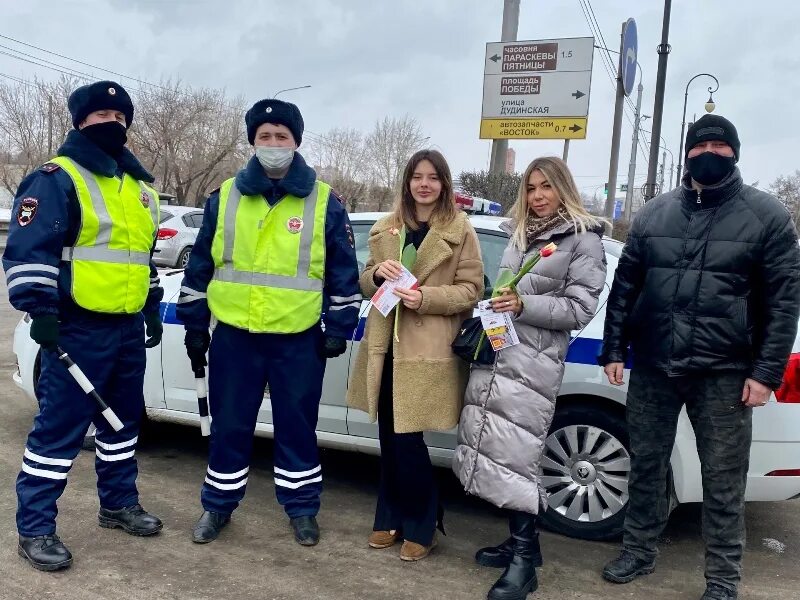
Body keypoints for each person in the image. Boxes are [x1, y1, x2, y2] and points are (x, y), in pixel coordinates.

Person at [598, 114, 800, 600]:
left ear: (734, 152)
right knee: (646, 465)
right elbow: (625, 288)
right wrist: (612, 348)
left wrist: (766, 372)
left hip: (725, 373)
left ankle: (723, 579)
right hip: (654, 366)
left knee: (723, 481)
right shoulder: (653, 214)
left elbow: (784, 302)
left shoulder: (767, 216)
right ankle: (638, 551)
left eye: (719, 145)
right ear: (688, 152)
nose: (709, 153)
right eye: (700, 145)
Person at [177, 98, 360, 547]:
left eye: (281, 137)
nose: (273, 144)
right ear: (252, 142)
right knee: (229, 425)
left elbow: (342, 270)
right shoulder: (225, 196)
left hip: (297, 339)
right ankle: (217, 507)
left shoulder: (324, 200)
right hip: (235, 336)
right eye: (264, 137)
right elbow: (200, 265)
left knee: (297, 427)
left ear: (296, 142)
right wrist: (195, 323)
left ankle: (301, 510)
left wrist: (338, 326)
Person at [3, 80, 165, 571]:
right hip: (76, 327)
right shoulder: (56, 177)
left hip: (124, 329)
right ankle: (35, 529)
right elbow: (30, 253)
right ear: (80, 123)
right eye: (100, 119)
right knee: (59, 432)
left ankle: (117, 505)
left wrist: (152, 304)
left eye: (119, 120)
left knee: (121, 425)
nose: (111, 126)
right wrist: (41, 312)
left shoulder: (139, 188)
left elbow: (141, 257)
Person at [453, 156, 606, 600]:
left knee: (519, 453)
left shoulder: (582, 239)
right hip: (502, 353)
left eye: (546, 187)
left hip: (535, 362)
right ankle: (524, 545)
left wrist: (523, 306)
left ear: (563, 189)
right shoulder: (523, 234)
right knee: (499, 448)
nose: (537, 196)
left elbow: (579, 309)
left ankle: (525, 563)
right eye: (531, 188)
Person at [347, 149, 484, 561]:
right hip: (385, 346)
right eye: (417, 177)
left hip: (426, 348)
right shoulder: (387, 228)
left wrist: (425, 297)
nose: (424, 184)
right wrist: (375, 275)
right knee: (389, 437)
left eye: (433, 177)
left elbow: (471, 290)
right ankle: (390, 517)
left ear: (444, 184)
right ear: (407, 182)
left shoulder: (461, 230)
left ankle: (424, 521)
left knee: (408, 440)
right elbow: (365, 282)